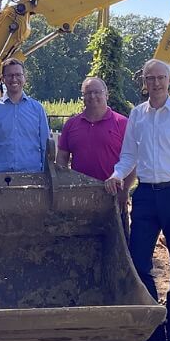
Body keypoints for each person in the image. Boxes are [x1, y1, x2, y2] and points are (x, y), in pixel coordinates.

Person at [104, 59, 170, 341]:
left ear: (169, 80)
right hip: (146, 195)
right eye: (151, 78)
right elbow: (128, 156)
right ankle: (152, 322)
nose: (157, 83)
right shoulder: (138, 115)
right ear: (144, 82)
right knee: (138, 259)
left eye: (162, 78)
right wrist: (116, 175)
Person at [57, 77, 133, 229]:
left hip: (112, 195)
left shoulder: (122, 123)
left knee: (117, 242)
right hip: (80, 196)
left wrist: (125, 191)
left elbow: (132, 160)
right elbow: (62, 159)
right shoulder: (71, 124)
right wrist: (64, 188)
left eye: (97, 92)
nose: (92, 96)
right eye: (88, 93)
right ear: (83, 97)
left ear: (107, 95)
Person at [0, 58, 49, 173]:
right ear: (3, 79)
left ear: (24, 78)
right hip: (1, 177)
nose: (14, 79)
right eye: (10, 75)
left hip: (33, 176)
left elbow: (46, 147)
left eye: (18, 75)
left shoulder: (37, 109)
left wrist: (45, 172)